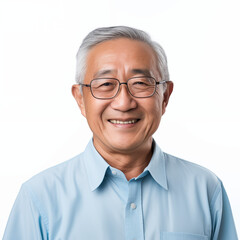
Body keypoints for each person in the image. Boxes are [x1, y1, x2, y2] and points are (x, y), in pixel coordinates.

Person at [3, 26, 238, 240]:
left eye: (141, 83)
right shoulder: (39, 197)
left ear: (165, 96)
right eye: (105, 84)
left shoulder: (206, 189)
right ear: (80, 99)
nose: (124, 103)